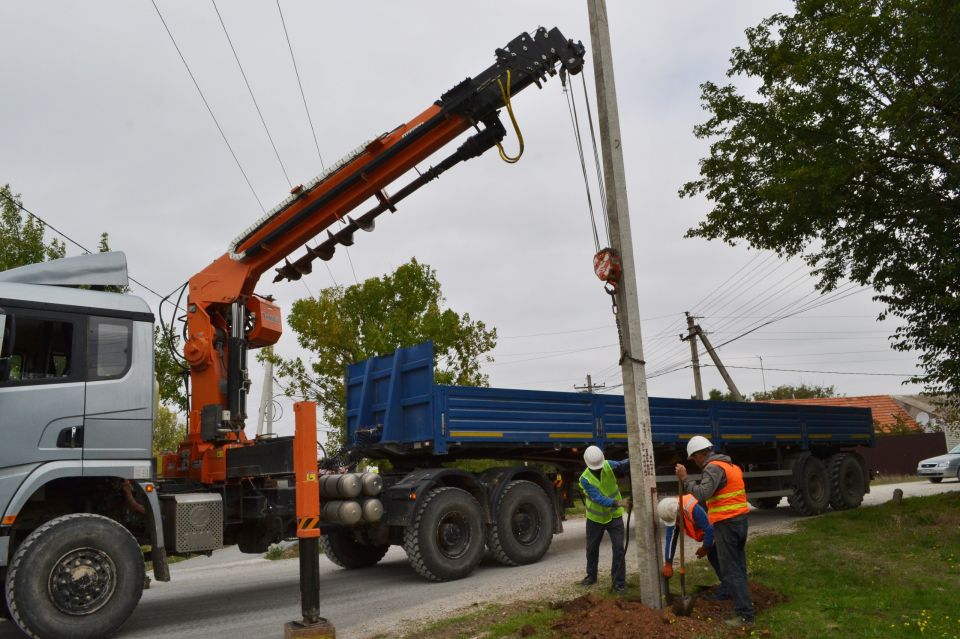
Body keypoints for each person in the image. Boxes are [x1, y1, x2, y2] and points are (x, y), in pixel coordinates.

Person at [675, 436, 755, 627]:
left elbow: (702, 493)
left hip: (727, 524)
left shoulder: (713, 467)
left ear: (700, 454)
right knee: (738, 566)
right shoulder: (731, 466)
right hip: (740, 521)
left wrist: (685, 479)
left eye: (694, 458)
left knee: (731, 569)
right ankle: (743, 604)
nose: (695, 462)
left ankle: (745, 615)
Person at [579, 445, 632, 594]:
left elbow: (622, 464)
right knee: (592, 548)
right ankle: (591, 576)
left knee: (618, 548)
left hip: (614, 516)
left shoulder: (608, 465)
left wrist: (634, 457)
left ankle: (618, 583)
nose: (599, 469)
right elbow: (598, 498)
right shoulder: (584, 479)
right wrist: (619, 503)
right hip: (595, 518)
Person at [657, 494, 729, 600]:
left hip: (722, 527)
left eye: (676, 520)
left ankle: (728, 589)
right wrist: (668, 563)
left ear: (678, 512)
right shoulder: (671, 511)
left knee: (717, 557)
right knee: (714, 556)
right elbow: (670, 539)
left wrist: (705, 547)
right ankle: (728, 586)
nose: (676, 523)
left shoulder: (693, 509)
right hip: (712, 531)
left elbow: (709, 529)